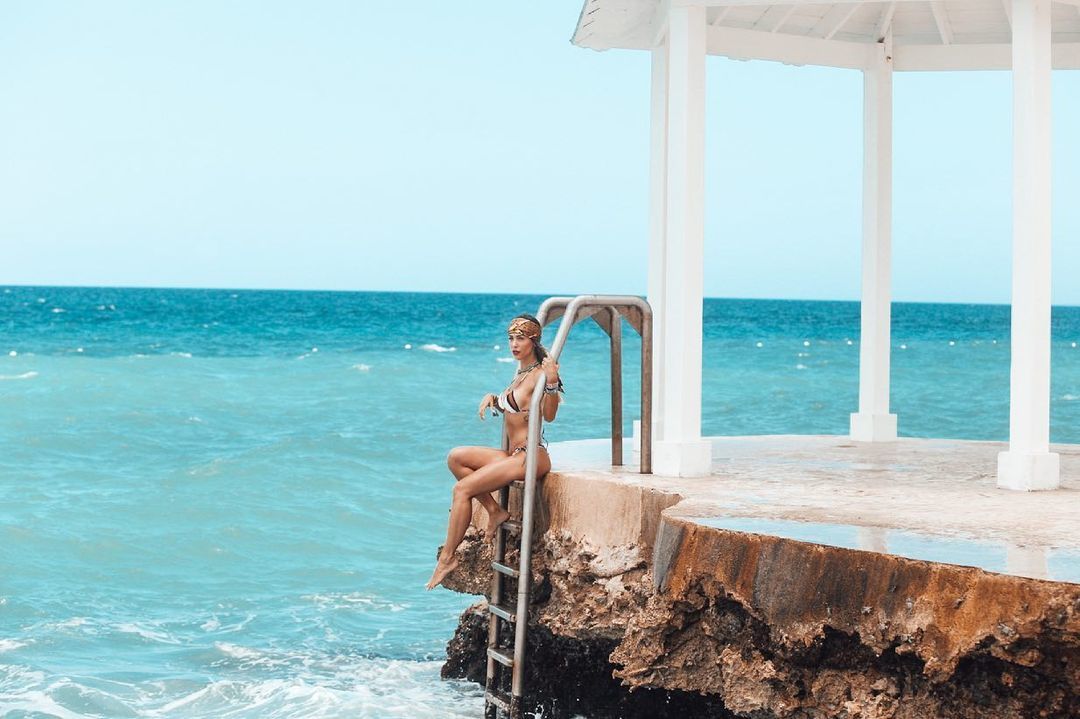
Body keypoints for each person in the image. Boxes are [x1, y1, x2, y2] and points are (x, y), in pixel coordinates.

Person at [426, 314, 562, 590]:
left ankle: (447, 559)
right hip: (513, 455)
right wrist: (494, 399)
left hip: (530, 456)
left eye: (520, 338)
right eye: (511, 338)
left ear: (534, 341)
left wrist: (552, 380)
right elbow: (516, 407)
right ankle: (494, 510)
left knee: (462, 490)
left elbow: (549, 415)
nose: (514, 344)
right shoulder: (520, 374)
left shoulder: (539, 374)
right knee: (456, 457)